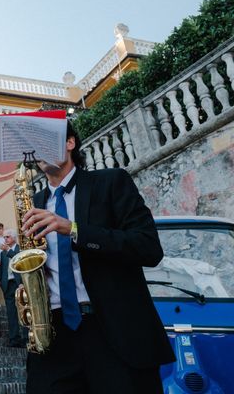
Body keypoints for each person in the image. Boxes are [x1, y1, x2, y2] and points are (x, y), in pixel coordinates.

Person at [20, 122, 174, 393]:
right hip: (53, 336)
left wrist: (73, 229)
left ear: (70, 143)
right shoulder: (33, 203)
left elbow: (149, 247)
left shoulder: (111, 181)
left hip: (113, 332)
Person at [0, 228, 23, 347]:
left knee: (23, 311)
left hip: (19, 283)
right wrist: (1, 282)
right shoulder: (3, 252)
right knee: (11, 313)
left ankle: (25, 338)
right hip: (7, 284)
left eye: (7, 237)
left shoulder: (20, 248)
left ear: (13, 238)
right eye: (4, 237)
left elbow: (18, 260)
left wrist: (8, 250)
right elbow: (2, 268)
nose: (5, 239)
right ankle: (14, 339)